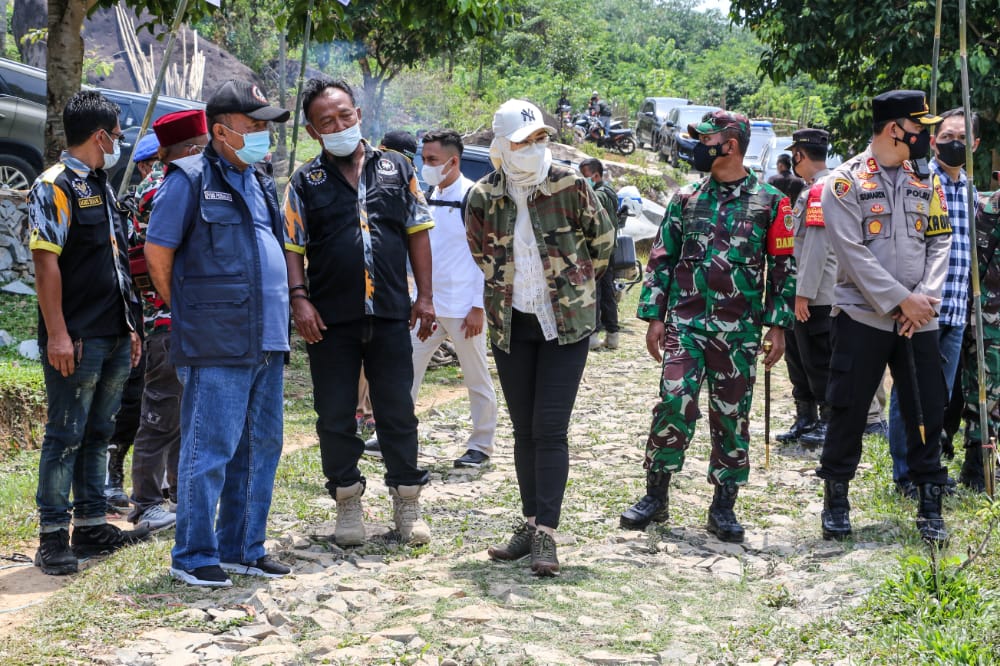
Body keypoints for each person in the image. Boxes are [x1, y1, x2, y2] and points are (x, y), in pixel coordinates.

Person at [619, 110, 794, 543]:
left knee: (732, 416)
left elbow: (783, 268)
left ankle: (724, 505)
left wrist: (778, 327)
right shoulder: (685, 198)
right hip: (686, 323)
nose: (697, 145)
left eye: (705, 138)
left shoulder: (772, 202)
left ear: (729, 145)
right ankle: (655, 495)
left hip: (739, 331)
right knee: (674, 401)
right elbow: (660, 260)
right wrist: (654, 316)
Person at [145, 79, 293, 587]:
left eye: (265, 129)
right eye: (254, 128)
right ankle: (192, 554)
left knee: (261, 446)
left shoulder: (260, 181)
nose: (262, 138)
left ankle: (242, 547)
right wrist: (190, 311)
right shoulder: (187, 179)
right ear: (222, 130)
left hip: (267, 336)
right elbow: (158, 254)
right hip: (216, 338)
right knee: (209, 449)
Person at [283, 77, 435, 548]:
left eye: (345, 115)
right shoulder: (303, 181)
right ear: (312, 131)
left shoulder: (397, 167)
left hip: (391, 313)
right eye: (326, 120)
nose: (339, 125)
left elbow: (418, 232)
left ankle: (407, 503)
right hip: (330, 319)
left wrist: (425, 297)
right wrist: (299, 298)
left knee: (397, 411)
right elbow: (292, 244)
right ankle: (347, 503)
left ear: (359, 113)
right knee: (333, 415)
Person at [471, 99, 614, 576]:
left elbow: (602, 242)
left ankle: (547, 535)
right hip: (512, 325)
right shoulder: (483, 196)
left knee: (550, 429)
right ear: (501, 146)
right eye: (523, 142)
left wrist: (573, 288)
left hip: (565, 326)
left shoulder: (570, 184)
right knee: (524, 430)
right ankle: (530, 524)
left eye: (539, 139)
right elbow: (478, 249)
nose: (535, 149)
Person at [817, 90, 950, 544]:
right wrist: (898, 301)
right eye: (919, 128)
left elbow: (940, 242)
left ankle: (930, 502)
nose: (925, 137)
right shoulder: (844, 182)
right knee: (848, 408)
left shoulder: (926, 180)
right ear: (896, 129)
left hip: (920, 321)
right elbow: (851, 254)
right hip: (862, 317)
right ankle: (836, 499)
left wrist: (924, 299)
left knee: (926, 408)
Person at [29, 90, 148, 575]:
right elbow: (45, 262)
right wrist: (57, 333)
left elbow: (116, 262)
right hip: (76, 339)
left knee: (99, 432)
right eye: (118, 134)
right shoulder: (53, 185)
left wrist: (132, 325)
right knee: (65, 435)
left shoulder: (102, 184)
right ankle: (53, 536)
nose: (119, 141)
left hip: (114, 333)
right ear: (101, 136)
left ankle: (92, 524)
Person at [887, 108, 979, 497]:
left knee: (938, 397)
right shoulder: (922, 181)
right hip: (921, 307)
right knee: (909, 392)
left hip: (956, 310)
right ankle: (905, 473)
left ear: (974, 144)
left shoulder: (971, 191)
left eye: (961, 137)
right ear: (934, 139)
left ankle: (929, 471)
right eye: (945, 136)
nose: (952, 143)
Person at [126, 109, 210, 533]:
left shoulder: (160, 184)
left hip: (176, 319)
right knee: (161, 414)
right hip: (169, 320)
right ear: (194, 150)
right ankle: (145, 503)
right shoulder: (165, 188)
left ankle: (175, 495)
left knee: (180, 413)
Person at [413, 128, 498, 468]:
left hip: (465, 308)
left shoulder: (473, 197)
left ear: (453, 161)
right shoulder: (426, 197)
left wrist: (479, 305)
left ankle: (481, 444)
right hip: (429, 306)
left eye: (432, 160)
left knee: (476, 378)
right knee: (406, 370)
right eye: (424, 159)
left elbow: (487, 255)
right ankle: (396, 433)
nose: (426, 165)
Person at [776, 129, 835, 449]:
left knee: (818, 359)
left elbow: (816, 246)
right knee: (799, 358)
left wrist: (803, 293)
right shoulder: (812, 189)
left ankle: (826, 421)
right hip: (803, 290)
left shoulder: (821, 191)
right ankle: (806, 416)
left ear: (798, 155)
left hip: (816, 294)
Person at [957, 186, 999, 491]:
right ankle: (978, 468)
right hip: (989, 316)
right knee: (984, 391)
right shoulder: (988, 208)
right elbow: (975, 266)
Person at [579, 157, 621, 350]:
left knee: (595, 293)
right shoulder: (610, 191)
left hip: (598, 251)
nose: (582, 180)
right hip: (608, 249)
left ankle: (593, 336)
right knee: (607, 293)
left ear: (595, 175)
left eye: (585, 176)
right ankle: (612, 336)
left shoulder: (599, 195)